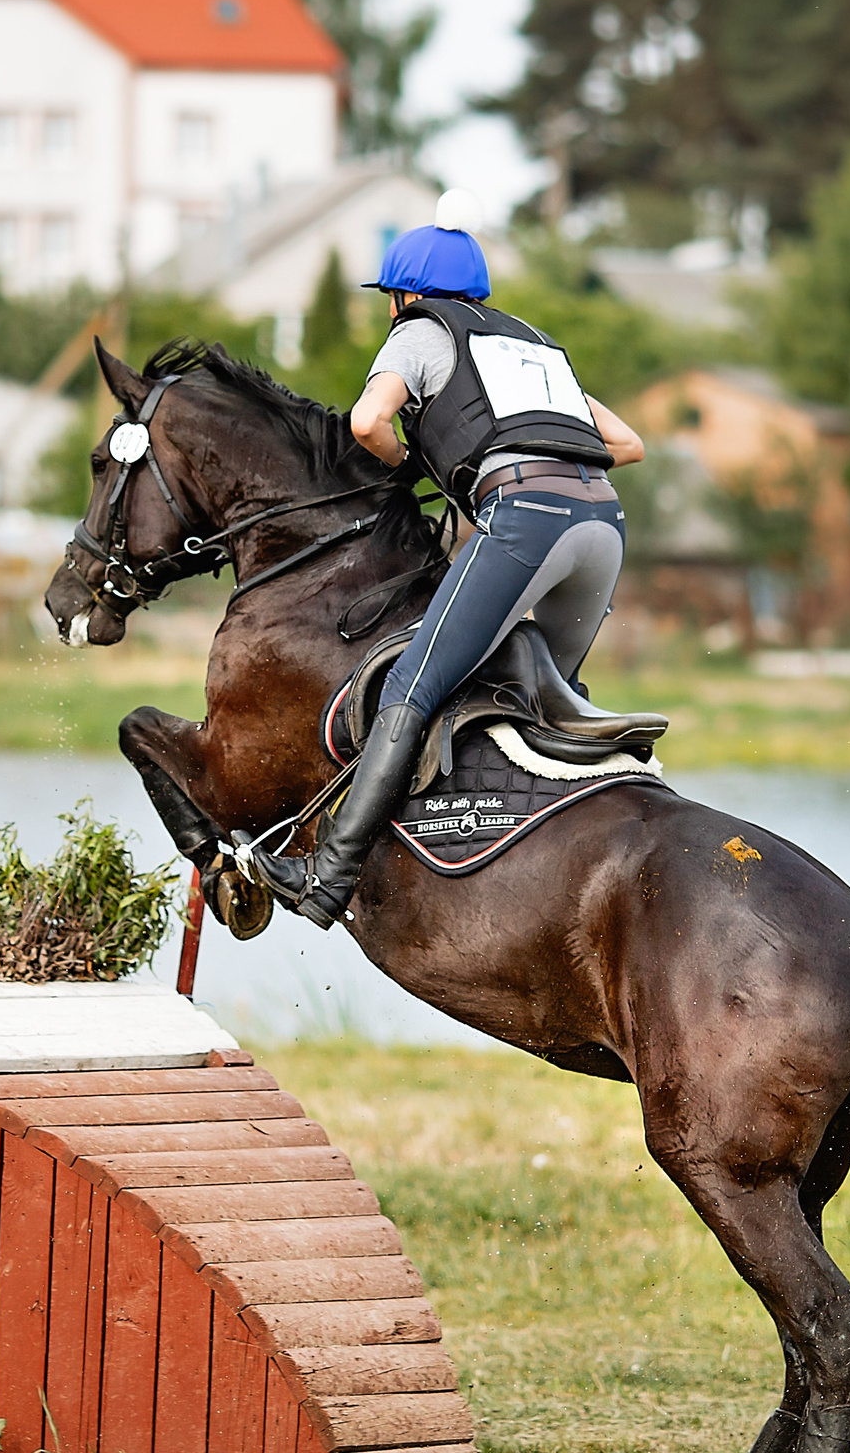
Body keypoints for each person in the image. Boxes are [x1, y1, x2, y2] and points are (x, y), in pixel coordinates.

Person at [252, 190, 649, 929]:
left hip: (527, 520)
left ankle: (327, 877)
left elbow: (368, 421)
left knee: (414, 684)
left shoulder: (420, 333)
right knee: (536, 696)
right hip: (603, 525)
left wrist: (419, 462)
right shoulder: (530, 344)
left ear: (405, 295)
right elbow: (629, 446)